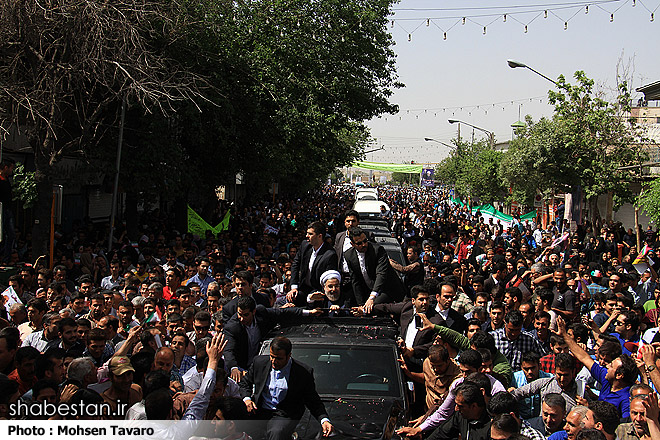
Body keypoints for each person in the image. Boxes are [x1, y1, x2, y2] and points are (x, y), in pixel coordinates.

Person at [239, 336, 334, 440]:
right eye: (272, 356)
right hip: (259, 410)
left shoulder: (302, 373)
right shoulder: (259, 363)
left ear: (289, 356)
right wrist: (247, 399)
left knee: (276, 433)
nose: (274, 361)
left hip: (284, 414)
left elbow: (312, 400)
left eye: (279, 358)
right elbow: (245, 383)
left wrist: (324, 420)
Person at [343, 226, 406, 311]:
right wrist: (360, 304)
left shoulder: (377, 250)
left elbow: (381, 274)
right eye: (359, 243)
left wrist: (372, 297)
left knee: (372, 308)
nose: (364, 245)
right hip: (369, 292)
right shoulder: (349, 255)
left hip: (387, 290)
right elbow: (355, 280)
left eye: (365, 241)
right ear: (352, 244)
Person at [287, 222, 338, 306]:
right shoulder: (305, 245)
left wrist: (313, 296)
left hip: (318, 291)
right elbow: (295, 264)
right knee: (292, 298)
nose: (307, 236)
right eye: (307, 233)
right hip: (303, 287)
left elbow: (328, 280)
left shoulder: (330, 254)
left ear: (320, 236)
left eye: (310, 234)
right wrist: (294, 287)